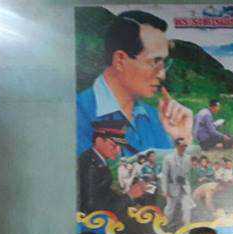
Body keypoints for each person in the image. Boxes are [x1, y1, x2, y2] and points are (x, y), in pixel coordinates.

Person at [76, 10, 191, 157]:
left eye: (165, 63)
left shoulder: (156, 118)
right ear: (120, 60)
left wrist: (181, 138)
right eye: (155, 61)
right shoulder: (78, 113)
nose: (162, 75)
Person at [79, 119, 131, 215]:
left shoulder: (97, 160)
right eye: (114, 145)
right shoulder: (90, 165)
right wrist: (129, 196)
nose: (118, 151)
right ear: (99, 141)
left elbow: (104, 194)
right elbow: (93, 208)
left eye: (120, 147)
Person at [161, 137, 195, 227]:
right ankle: (166, 224)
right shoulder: (168, 158)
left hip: (184, 186)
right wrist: (165, 190)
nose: (184, 147)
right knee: (170, 208)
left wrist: (186, 183)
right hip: (172, 187)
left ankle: (186, 226)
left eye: (185, 146)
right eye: (182, 146)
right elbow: (164, 175)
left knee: (187, 207)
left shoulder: (188, 158)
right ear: (176, 146)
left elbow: (188, 173)